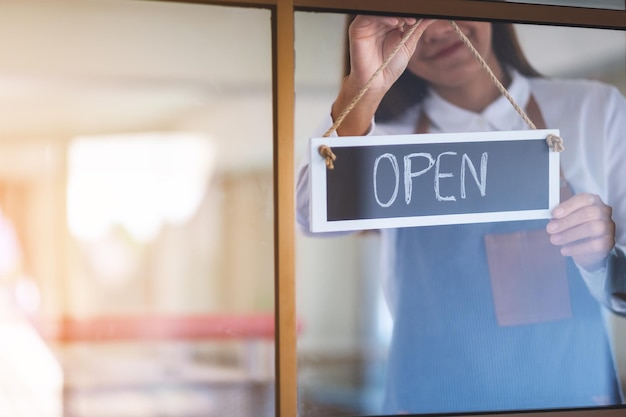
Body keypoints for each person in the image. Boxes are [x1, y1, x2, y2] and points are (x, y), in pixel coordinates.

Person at [296, 15, 626, 415]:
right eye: (411, 19)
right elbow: (311, 215)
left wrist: (598, 260)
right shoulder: (383, 135)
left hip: (573, 396)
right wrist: (365, 88)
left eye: (449, 7)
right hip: (430, 398)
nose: (435, 30)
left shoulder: (595, 109)